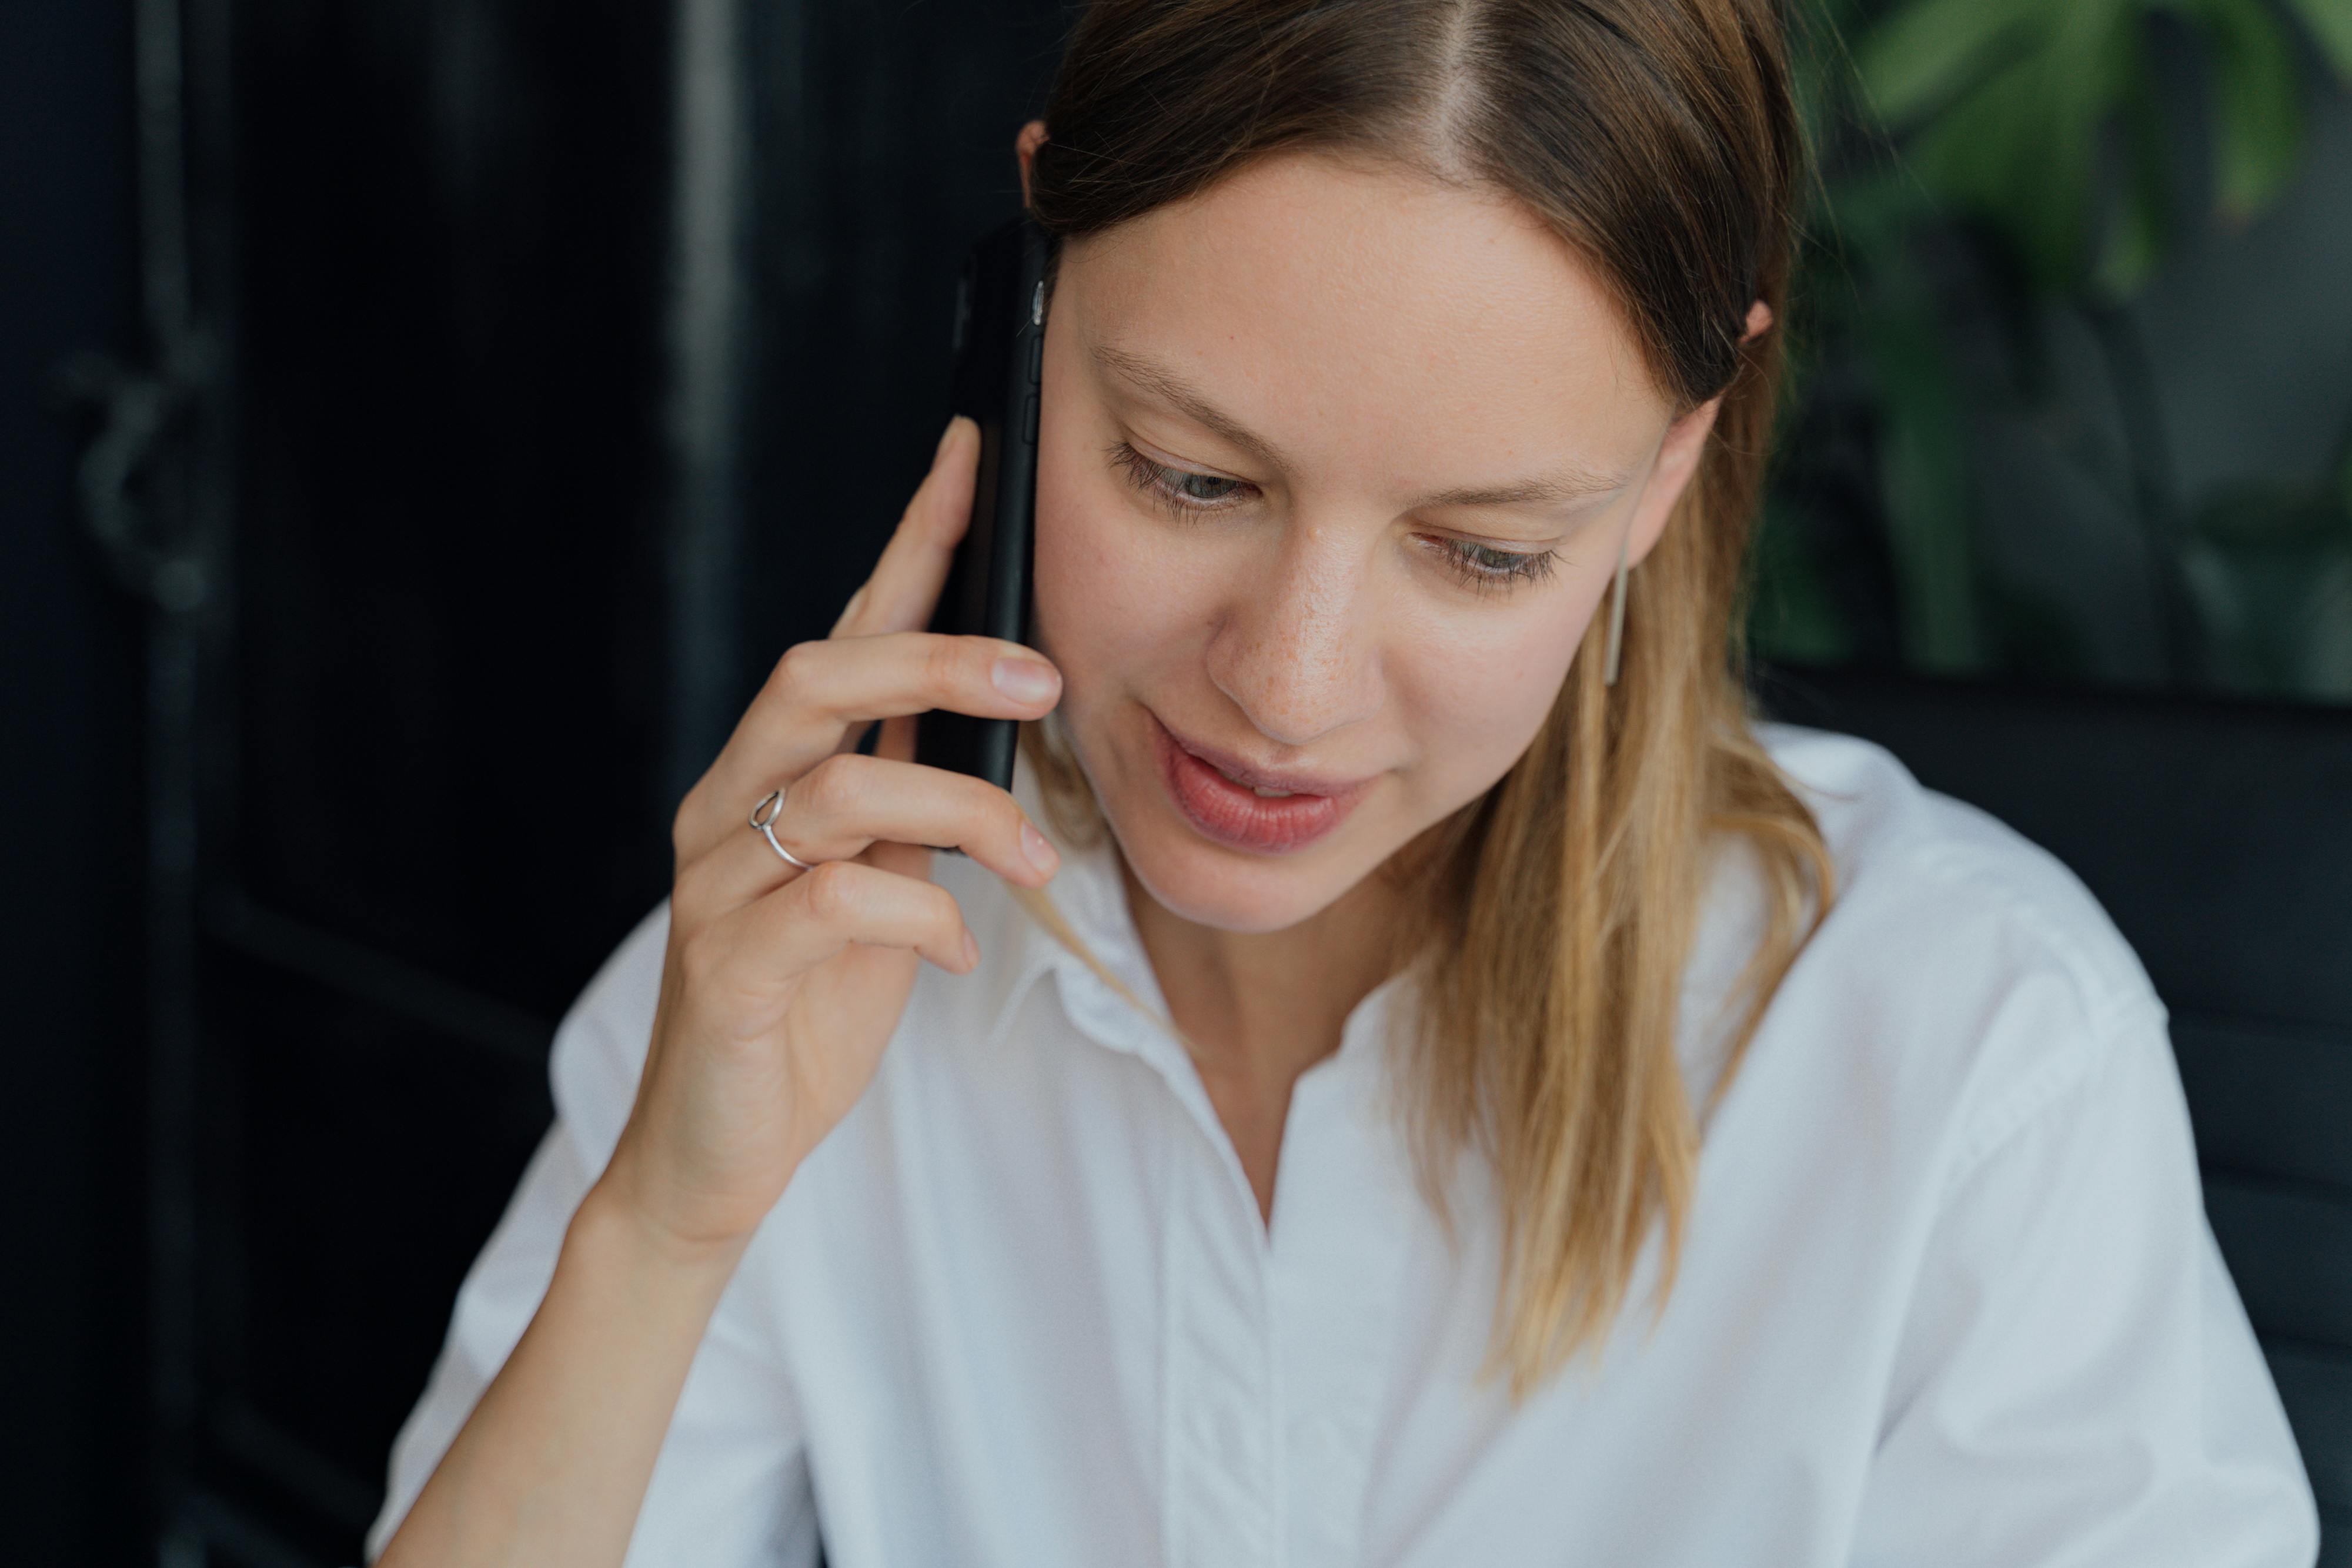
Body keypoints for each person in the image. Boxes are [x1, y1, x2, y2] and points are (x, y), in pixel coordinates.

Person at [368, 1, 2319, 1564]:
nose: (1282, 695)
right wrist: (662, 1233)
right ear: (1026, 306)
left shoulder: (1973, 1063)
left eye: (1479, 553)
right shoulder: (819, 963)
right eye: (1191, 475)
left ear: (1665, 469)